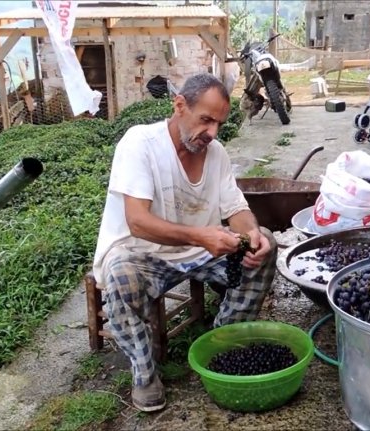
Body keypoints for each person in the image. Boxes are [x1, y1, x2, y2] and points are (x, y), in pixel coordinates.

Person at [92, 73, 277, 412]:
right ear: (179, 106)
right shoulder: (140, 143)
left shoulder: (216, 153)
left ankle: (222, 341)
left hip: (198, 251)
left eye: (219, 123)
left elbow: (236, 208)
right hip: (141, 253)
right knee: (120, 275)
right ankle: (144, 371)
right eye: (206, 120)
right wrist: (201, 236)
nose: (212, 133)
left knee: (264, 243)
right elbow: (137, 221)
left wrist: (250, 232)